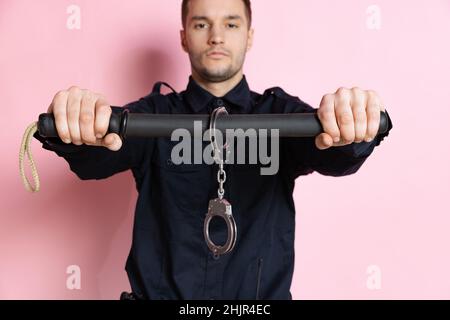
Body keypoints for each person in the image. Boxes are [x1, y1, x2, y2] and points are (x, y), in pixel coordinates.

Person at [34, 0, 393, 300]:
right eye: (202, 24)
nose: (217, 36)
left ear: (249, 36)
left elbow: (334, 153)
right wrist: (75, 123)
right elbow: (94, 158)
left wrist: (354, 125)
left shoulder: (279, 115)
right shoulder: (153, 116)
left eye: (232, 25)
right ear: (184, 38)